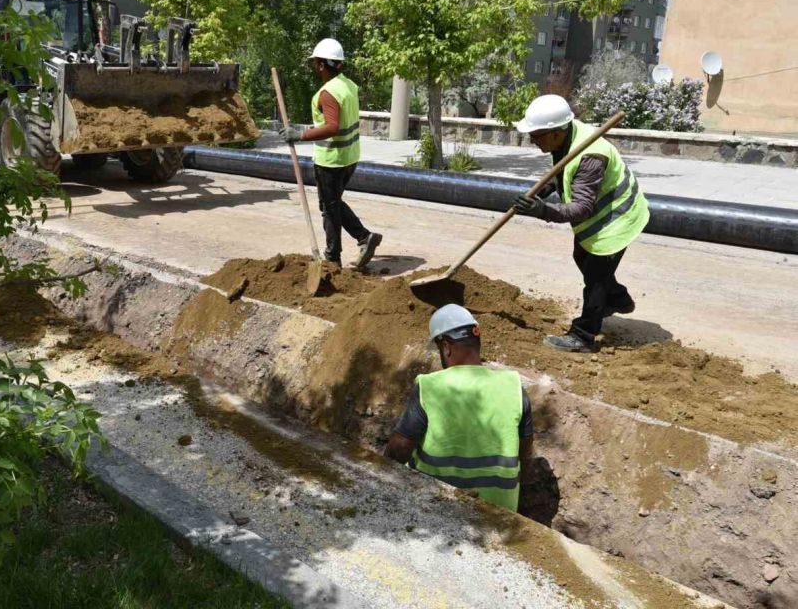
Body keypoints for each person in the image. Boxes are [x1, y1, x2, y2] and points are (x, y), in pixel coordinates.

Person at [510, 95, 650, 353]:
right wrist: (545, 188)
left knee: (596, 276)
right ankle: (618, 299)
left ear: (556, 132)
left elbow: (582, 208)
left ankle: (584, 335)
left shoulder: (590, 156)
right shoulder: (565, 139)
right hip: (601, 214)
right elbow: (564, 173)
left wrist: (541, 210)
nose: (532, 140)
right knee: (582, 257)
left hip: (617, 217)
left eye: (537, 135)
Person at [385, 305, 533, 512]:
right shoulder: (514, 387)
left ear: (446, 347)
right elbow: (524, 452)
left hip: (436, 507)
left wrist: (380, 475)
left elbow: (400, 447)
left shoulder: (430, 386)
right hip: (500, 511)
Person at [277, 39, 382, 270]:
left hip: (331, 161)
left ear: (322, 65)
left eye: (315, 62)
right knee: (332, 204)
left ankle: (333, 257)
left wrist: (300, 134)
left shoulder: (328, 93)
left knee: (329, 208)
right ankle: (364, 238)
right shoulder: (349, 85)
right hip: (349, 157)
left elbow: (333, 127)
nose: (314, 67)